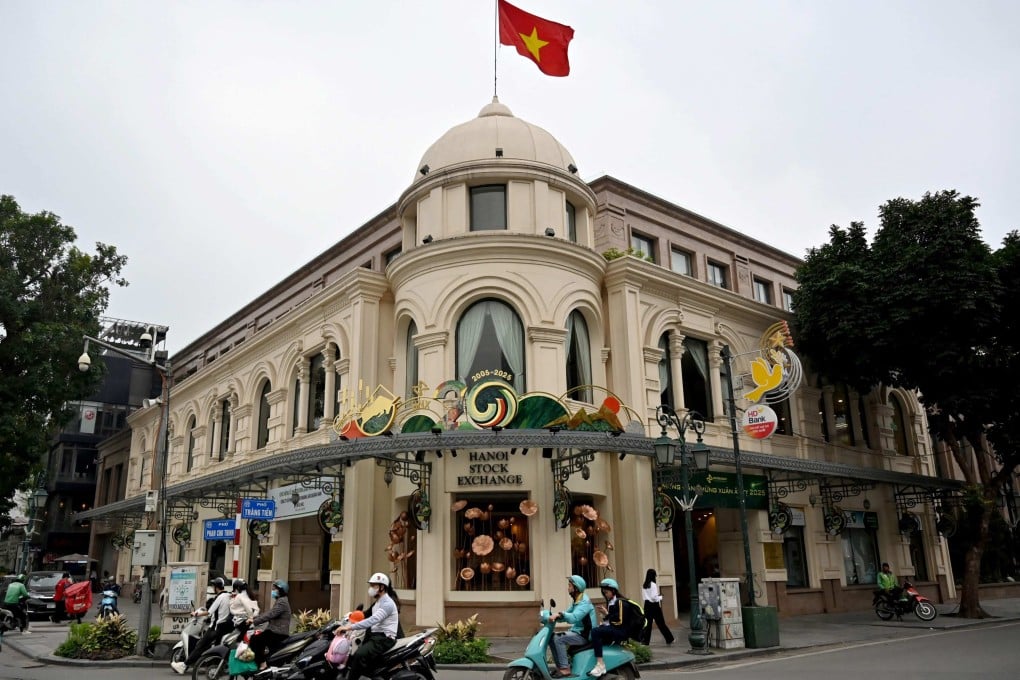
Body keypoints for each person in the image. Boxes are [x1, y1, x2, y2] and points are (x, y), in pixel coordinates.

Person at [338, 572, 401, 680]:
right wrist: (351, 616)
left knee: (359, 655)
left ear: (382, 587)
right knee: (353, 652)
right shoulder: (378, 602)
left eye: (373, 585)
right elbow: (365, 615)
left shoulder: (388, 603)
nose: (371, 588)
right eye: (371, 585)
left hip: (384, 638)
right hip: (376, 637)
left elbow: (373, 620)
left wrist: (349, 627)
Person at [171, 578, 232, 675]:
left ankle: (184, 666)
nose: (213, 588)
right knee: (212, 647)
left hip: (215, 628)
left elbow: (209, 612)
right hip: (223, 628)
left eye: (213, 586)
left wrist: (196, 614)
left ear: (216, 587)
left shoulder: (219, 597)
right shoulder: (228, 596)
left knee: (200, 646)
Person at [549, 575, 597, 677]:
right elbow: (567, 613)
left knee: (558, 638)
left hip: (585, 635)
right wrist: (555, 616)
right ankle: (560, 667)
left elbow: (574, 617)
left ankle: (565, 669)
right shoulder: (577, 601)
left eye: (570, 585)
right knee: (552, 637)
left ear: (576, 588)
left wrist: (561, 614)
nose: (568, 588)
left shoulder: (584, 602)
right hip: (578, 632)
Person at [246, 579, 293, 671]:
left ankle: (263, 664)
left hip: (278, 633)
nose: (273, 591)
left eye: (275, 589)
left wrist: (254, 622)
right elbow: (269, 613)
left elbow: (270, 615)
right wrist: (254, 618)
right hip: (274, 631)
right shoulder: (280, 600)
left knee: (255, 640)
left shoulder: (282, 602)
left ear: (281, 590)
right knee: (258, 638)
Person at [588, 578, 630, 677]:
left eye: (606, 592)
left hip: (621, 631)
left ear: (613, 591)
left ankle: (600, 664)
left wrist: (606, 614)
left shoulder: (619, 602)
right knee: (595, 632)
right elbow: (612, 619)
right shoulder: (611, 602)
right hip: (616, 629)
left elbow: (619, 621)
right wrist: (605, 619)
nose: (605, 594)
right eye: (604, 592)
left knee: (595, 632)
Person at [639, 568, 674, 645]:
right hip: (654, 606)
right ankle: (669, 639)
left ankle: (645, 641)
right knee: (661, 623)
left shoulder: (644, 585)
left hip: (647, 605)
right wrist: (660, 597)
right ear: (653, 576)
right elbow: (654, 597)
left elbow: (645, 596)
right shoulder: (653, 585)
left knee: (648, 624)